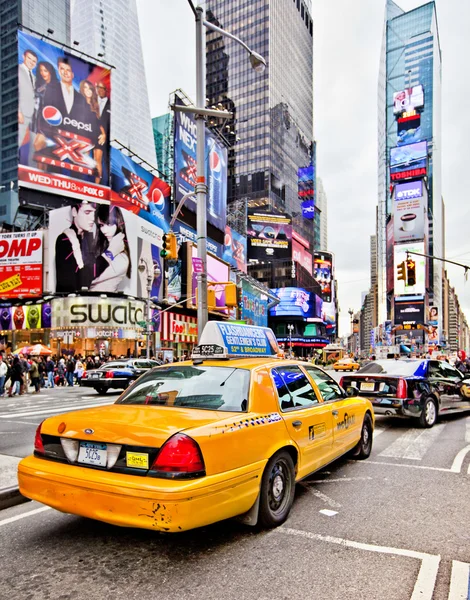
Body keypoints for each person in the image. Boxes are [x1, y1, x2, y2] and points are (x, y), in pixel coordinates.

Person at [55, 200, 124, 293]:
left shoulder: (89, 238)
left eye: (94, 213)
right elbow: (80, 282)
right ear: (74, 212)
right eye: (87, 212)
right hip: (69, 302)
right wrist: (110, 253)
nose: (92, 218)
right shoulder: (64, 240)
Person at [89, 205, 131, 292]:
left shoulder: (122, 258)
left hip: (104, 303)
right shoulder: (102, 248)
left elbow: (87, 278)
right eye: (101, 225)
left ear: (118, 222)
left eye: (109, 224)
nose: (104, 230)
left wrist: (110, 253)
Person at [32, 61, 59, 165]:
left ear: (50, 71)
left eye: (45, 71)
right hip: (39, 120)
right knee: (41, 149)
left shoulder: (56, 86)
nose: (43, 73)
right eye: (41, 71)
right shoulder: (39, 86)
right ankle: (42, 172)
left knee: (38, 145)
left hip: (51, 121)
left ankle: (42, 171)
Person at [79, 80, 106, 183]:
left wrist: (103, 134)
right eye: (85, 88)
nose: (88, 90)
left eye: (90, 88)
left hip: (97, 135)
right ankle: (83, 182)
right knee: (84, 157)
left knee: (97, 160)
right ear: (82, 89)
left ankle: (96, 185)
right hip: (85, 132)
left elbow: (100, 123)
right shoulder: (80, 103)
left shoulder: (95, 105)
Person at [18, 48, 38, 149]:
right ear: (23, 57)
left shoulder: (34, 78)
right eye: (29, 59)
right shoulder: (18, 70)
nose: (31, 62)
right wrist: (18, 111)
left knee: (28, 145)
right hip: (21, 114)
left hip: (31, 116)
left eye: (34, 61)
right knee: (17, 141)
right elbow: (14, 91)